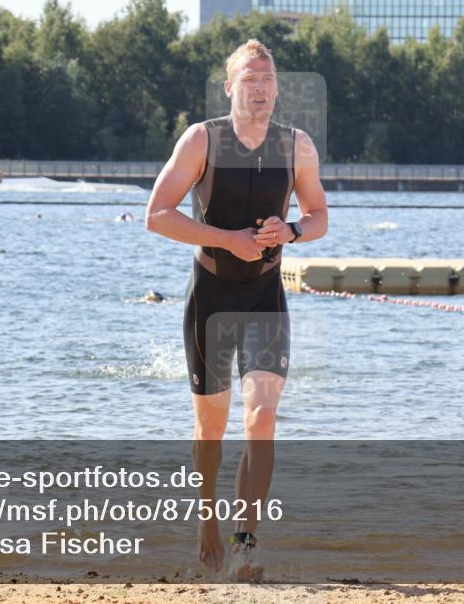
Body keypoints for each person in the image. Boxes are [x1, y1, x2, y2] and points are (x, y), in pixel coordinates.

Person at [145, 39, 328, 578]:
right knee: (210, 429)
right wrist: (227, 239)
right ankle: (206, 521)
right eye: (249, 79)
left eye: (267, 80)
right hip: (211, 295)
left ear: (277, 89)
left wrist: (291, 230)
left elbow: (319, 215)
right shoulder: (201, 139)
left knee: (262, 416)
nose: (259, 88)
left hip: (265, 294)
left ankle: (246, 542)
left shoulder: (297, 146)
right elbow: (157, 213)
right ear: (230, 87)